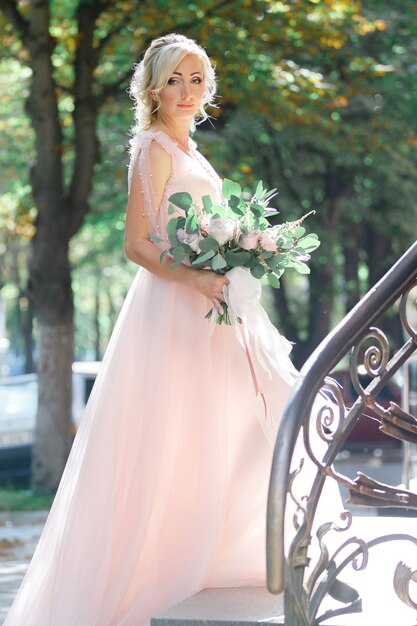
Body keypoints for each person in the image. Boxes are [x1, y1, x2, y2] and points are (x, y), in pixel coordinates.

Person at [3, 33, 334, 626]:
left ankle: (226, 553)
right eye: (175, 81)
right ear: (154, 88)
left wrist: (240, 256)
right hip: (176, 308)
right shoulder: (154, 146)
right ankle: (154, 578)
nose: (186, 92)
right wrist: (200, 279)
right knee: (172, 437)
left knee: (226, 430)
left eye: (196, 80)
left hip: (213, 305)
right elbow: (136, 244)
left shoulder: (189, 147)